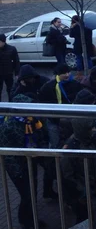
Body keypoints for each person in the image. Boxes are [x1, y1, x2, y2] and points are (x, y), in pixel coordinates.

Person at [0, 94, 48, 228]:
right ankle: (29, 222)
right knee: (27, 194)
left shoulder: (32, 120)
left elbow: (41, 136)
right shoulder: (9, 127)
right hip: (18, 166)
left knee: (32, 192)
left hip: (30, 161)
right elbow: (7, 154)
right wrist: (17, 173)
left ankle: (26, 218)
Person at [0, 33, 20, 101]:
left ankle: (11, 103)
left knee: (10, 89)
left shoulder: (12, 49)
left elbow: (16, 62)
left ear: (3, 41)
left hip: (8, 73)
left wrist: (17, 73)